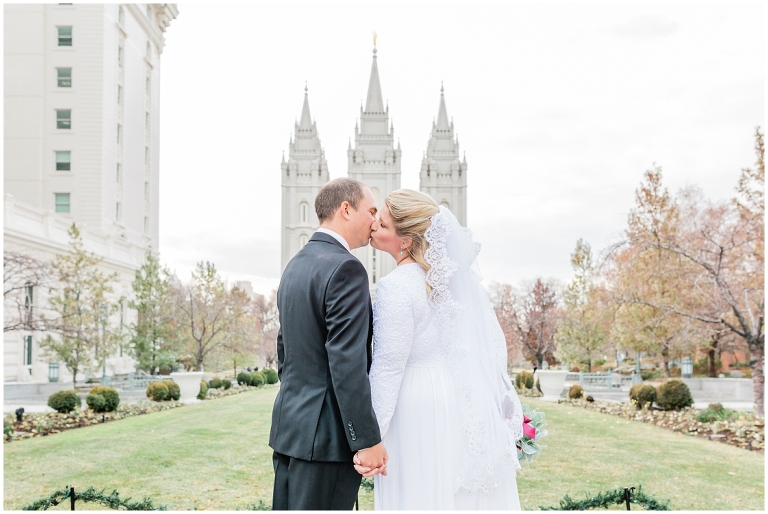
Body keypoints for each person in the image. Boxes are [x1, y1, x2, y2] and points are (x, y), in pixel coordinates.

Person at [360, 189, 523, 509]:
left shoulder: (395, 286)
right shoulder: (455, 284)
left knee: (420, 493)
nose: (373, 228)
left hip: (417, 405)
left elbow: (388, 368)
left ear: (405, 240)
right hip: (461, 399)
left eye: (382, 224)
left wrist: (371, 439)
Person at [269, 178, 388, 510]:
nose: (375, 222)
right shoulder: (346, 268)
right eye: (372, 211)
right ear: (346, 210)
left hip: (290, 430)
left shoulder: (294, 266)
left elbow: (285, 351)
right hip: (326, 440)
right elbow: (347, 362)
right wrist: (366, 440)